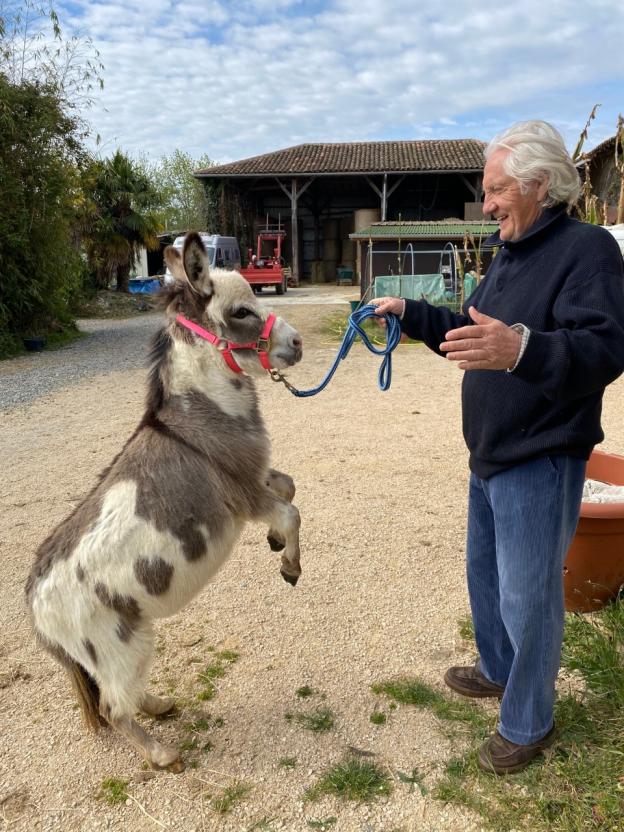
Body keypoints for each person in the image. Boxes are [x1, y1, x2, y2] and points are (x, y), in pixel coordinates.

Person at [372, 120, 624, 774]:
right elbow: (471, 329)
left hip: (540, 457)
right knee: (486, 579)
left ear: (538, 184)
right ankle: (497, 668)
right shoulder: (511, 252)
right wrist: (411, 312)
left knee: (528, 596)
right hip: (490, 455)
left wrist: (522, 348)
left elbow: (604, 349)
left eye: (495, 191)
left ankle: (528, 719)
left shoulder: (588, 249)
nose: (486, 205)